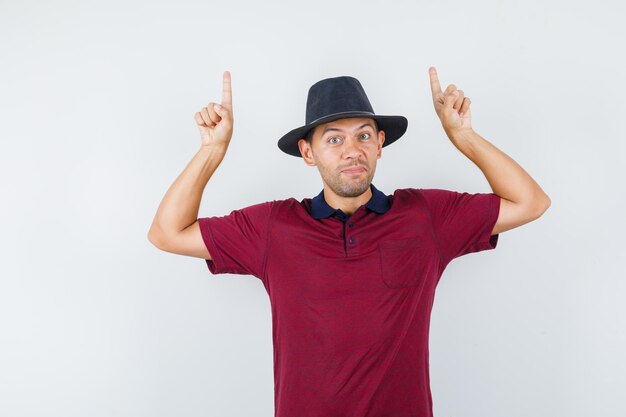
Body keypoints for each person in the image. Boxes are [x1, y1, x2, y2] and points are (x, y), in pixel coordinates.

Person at [148, 68, 551, 417]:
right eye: (334, 139)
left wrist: (464, 137)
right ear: (308, 152)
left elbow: (531, 202)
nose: (352, 151)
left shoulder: (424, 216)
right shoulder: (274, 226)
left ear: (379, 142)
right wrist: (211, 151)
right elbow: (167, 233)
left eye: (362, 136)